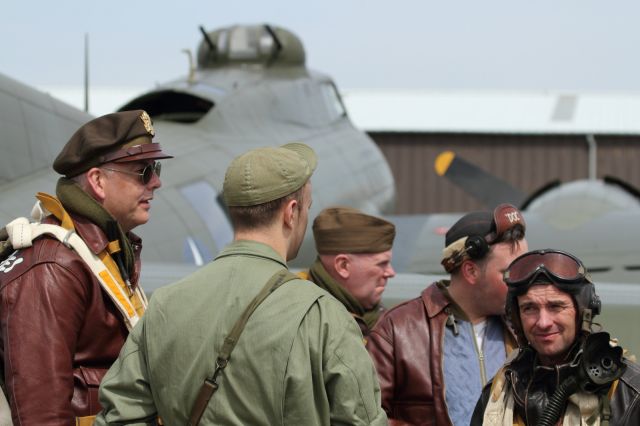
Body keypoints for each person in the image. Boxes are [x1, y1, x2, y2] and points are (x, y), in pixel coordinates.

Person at [94, 143, 387, 425]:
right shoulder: (323, 316)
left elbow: (121, 413)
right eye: (306, 208)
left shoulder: (164, 305)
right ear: (291, 212)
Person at [0, 110, 171, 425]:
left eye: (155, 168)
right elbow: (41, 416)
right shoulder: (54, 266)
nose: (157, 182)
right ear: (97, 182)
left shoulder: (104, 252)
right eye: (144, 171)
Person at [367, 204, 528, 426]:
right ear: (471, 271)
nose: (522, 282)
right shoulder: (397, 330)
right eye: (509, 273)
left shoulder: (529, 327)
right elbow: (365, 415)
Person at [471, 249, 640, 425]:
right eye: (529, 308)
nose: (543, 322)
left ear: (584, 313)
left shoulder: (629, 394)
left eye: (556, 306)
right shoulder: (498, 393)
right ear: (516, 317)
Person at [301, 206, 396, 340]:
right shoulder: (300, 321)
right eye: (381, 263)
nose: (391, 273)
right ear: (343, 266)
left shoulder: (384, 322)